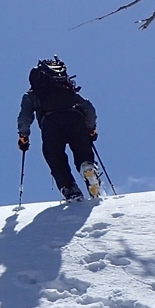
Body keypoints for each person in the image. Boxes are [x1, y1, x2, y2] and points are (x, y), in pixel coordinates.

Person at [17, 56, 101, 201]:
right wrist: (91, 128)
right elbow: (89, 108)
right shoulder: (66, 88)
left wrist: (23, 136)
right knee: (82, 152)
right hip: (75, 119)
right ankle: (88, 168)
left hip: (50, 124)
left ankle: (70, 189)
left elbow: (25, 117)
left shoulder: (32, 94)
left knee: (55, 157)